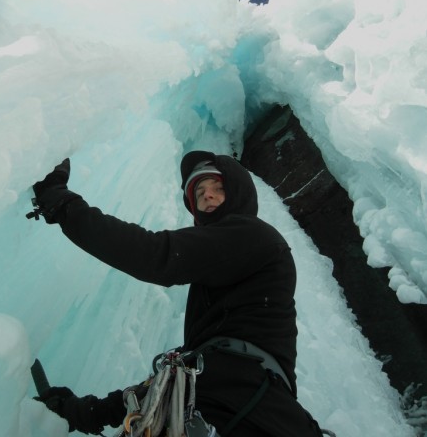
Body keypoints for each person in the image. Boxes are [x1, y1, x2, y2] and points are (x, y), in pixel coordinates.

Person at [29, 151, 324, 436]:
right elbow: (163, 389)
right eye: (199, 193)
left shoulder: (255, 236)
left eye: (218, 188)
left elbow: (157, 255)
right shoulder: (221, 315)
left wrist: (61, 203)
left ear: (240, 193)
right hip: (239, 404)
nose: (207, 195)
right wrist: (82, 412)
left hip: (247, 405)